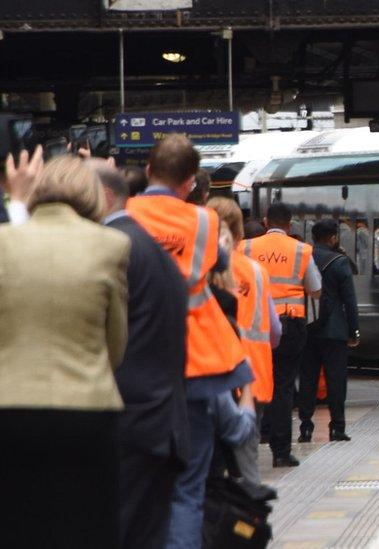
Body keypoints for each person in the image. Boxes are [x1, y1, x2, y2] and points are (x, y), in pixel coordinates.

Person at [126, 134, 253, 549]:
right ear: (190, 181)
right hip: (195, 362)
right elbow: (218, 262)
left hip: (135, 361)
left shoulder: (123, 215)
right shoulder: (204, 222)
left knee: (134, 482)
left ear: (148, 171)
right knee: (188, 486)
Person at [0, 156, 129, 548]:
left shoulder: (4, 241)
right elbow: (116, 344)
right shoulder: (112, 245)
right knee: (88, 525)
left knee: (17, 524)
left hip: (10, 407)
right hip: (87, 409)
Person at [92, 161, 191, 549]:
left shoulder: (116, 249)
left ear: (103, 197)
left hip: (130, 421)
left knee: (121, 532)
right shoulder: (151, 249)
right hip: (160, 421)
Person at [241, 202, 321, 467]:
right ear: (290, 224)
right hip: (291, 325)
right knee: (284, 386)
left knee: (252, 384)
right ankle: (281, 451)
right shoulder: (301, 250)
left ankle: (252, 442)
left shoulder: (248, 247)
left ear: (265, 222)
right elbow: (316, 288)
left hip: (256, 325)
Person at [208, 196, 281, 483]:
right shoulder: (258, 272)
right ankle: (245, 523)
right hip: (253, 377)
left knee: (208, 471)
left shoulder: (198, 267)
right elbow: (274, 330)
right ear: (239, 233)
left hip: (210, 376)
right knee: (246, 470)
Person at [298, 218, 360, 443]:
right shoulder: (340, 261)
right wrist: (354, 331)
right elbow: (350, 301)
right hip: (334, 331)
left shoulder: (304, 257)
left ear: (314, 237)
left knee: (308, 378)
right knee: (336, 379)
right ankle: (338, 427)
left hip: (308, 327)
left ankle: (305, 427)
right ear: (333, 237)